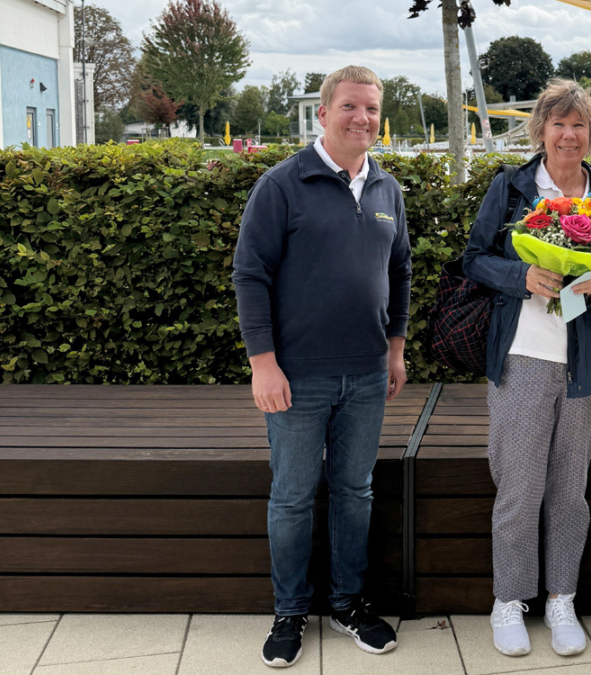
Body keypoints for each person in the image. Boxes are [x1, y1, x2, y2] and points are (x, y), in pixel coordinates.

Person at [232, 65, 411, 668]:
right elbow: (250, 275)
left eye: (372, 108)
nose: (362, 118)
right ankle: (289, 610)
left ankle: (347, 604)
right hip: (297, 376)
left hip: (367, 374)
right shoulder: (282, 184)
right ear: (325, 112)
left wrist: (395, 350)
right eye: (350, 106)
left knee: (355, 492)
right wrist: (263, 364)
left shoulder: (387, 189)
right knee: (292, 496)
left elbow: (399, 273)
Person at [462, 78, 591, 659]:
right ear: (541, 129)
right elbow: (474, 258)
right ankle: (508, 599)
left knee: (569, 490)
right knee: (519, 485)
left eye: (579, 124)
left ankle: (562, 597)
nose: (568, 134)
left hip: (580, 363)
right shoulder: (512, 188)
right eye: (559, 123)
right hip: (523, 356)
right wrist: (522, 276)